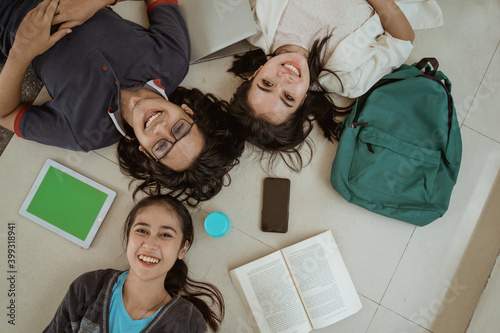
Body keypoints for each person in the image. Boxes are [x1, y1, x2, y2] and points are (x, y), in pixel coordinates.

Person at [0, 0, 244, 204]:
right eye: (179, 128)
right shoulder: (172, 59)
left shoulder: (83, 133)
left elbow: (5, 115)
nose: (160, 128)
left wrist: (21, 52)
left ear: (146, 153)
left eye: (161, 147)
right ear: (188, 111)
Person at [228, 0, 416, 171]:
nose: (284, 78)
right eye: (288, 96)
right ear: (303, 102)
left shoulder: (255, 22)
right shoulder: (350, 79)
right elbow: (402, 40)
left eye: (267, 83)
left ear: (255, 73)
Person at [44, 194, 225, 332]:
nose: (150, 244)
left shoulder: (188, 322)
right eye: (142, 230)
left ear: (182, 249)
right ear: (128, 237)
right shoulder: (89, 287)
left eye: (165, 234)